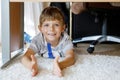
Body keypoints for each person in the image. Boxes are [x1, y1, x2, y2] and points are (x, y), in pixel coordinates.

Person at [21, 6, 75, 77]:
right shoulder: (38, 40)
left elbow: (71, 58)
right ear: (40, 28)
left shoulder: (65, 40)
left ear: (63, 28)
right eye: (46, 25)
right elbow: (25, 57)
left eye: (56, 25)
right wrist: (30, 65)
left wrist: (60, 65)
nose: (51, 29)